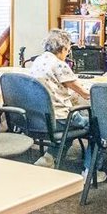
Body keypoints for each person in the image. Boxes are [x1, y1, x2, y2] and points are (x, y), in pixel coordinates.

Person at [28, 29, 99, 177]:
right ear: (63, 48)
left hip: (40, 117)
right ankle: (91, 171)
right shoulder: (59, 65)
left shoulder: (38, 61)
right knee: (96, 125)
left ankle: (49, 158)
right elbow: (85, 93)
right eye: (68, 50)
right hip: (60, 118)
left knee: (70, 128)